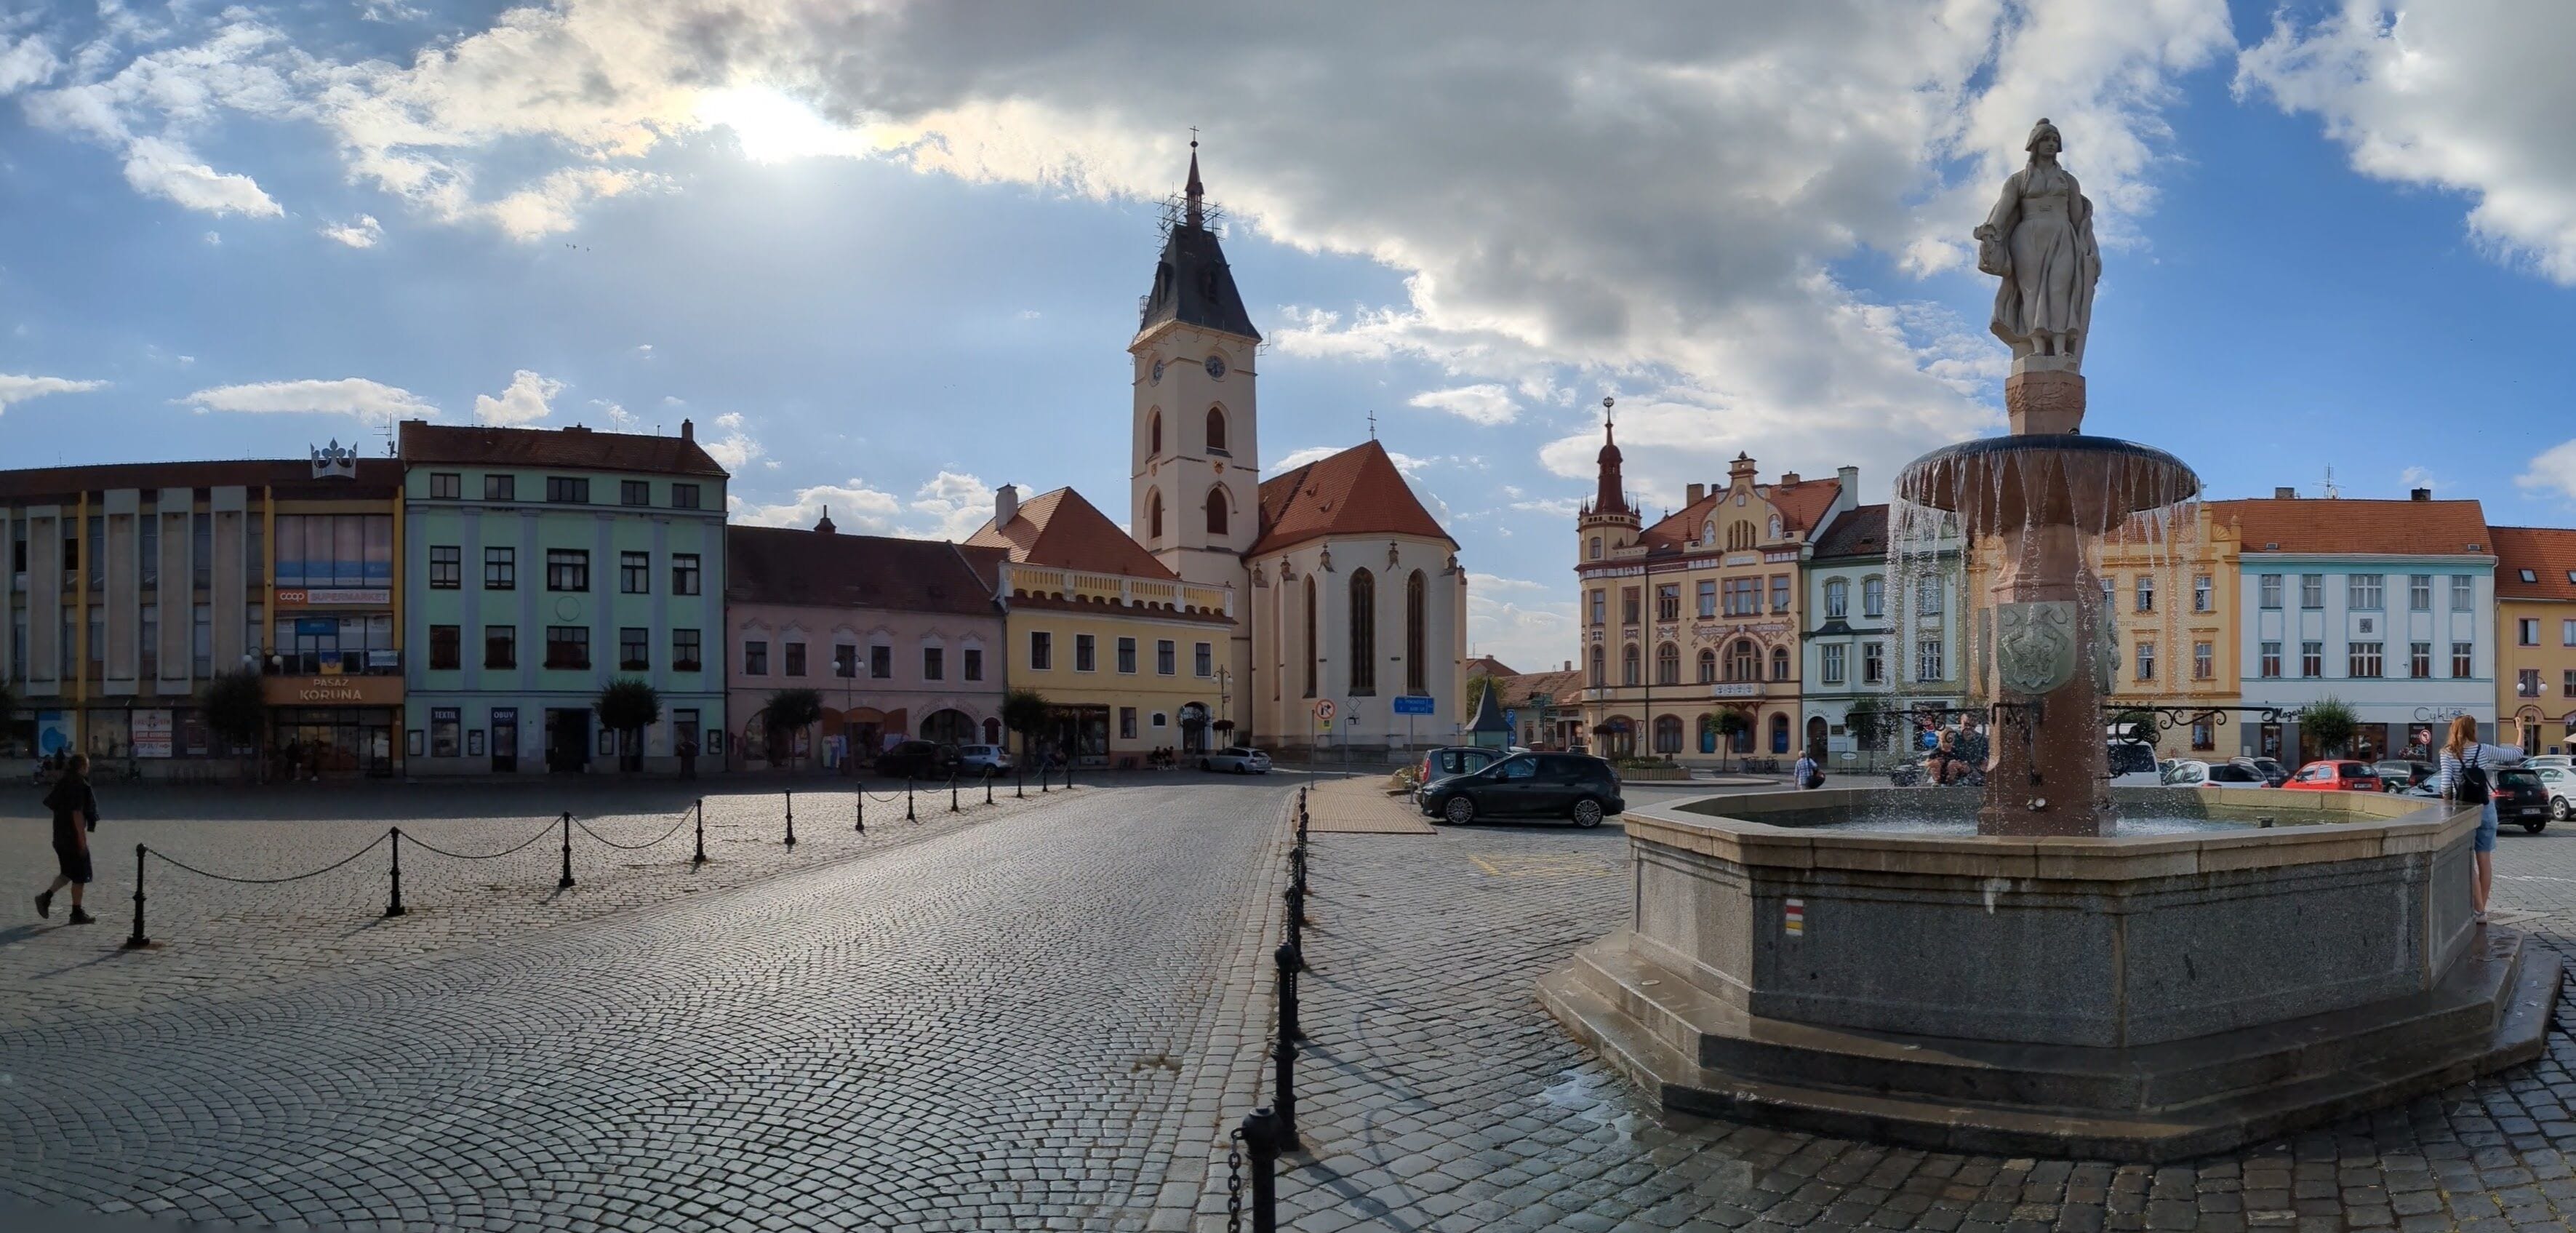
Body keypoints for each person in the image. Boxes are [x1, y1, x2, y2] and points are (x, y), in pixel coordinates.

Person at [2440, 714, 2526, 924]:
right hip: (2487, 808)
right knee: (2484, 860)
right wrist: (2521, 729)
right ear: (2473, 730)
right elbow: (2516, 753)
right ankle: (2481, 911)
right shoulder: (2485, 750)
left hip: (2464, 812)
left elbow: (2445, 787)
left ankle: (2478, 909)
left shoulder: (2447, 753)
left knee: (2467, 860)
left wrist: (2449, 807)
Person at [35, 753, 100, 925]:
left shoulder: (64, 782)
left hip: (60, 836)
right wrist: (82, 840)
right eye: (87, 765)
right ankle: (76, 912)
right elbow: (77, 813)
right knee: (80, 875)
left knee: (68, 872)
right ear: (81, 767)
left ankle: (45, 898)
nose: (88, 768)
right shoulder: (78, 784)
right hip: (72, 837)